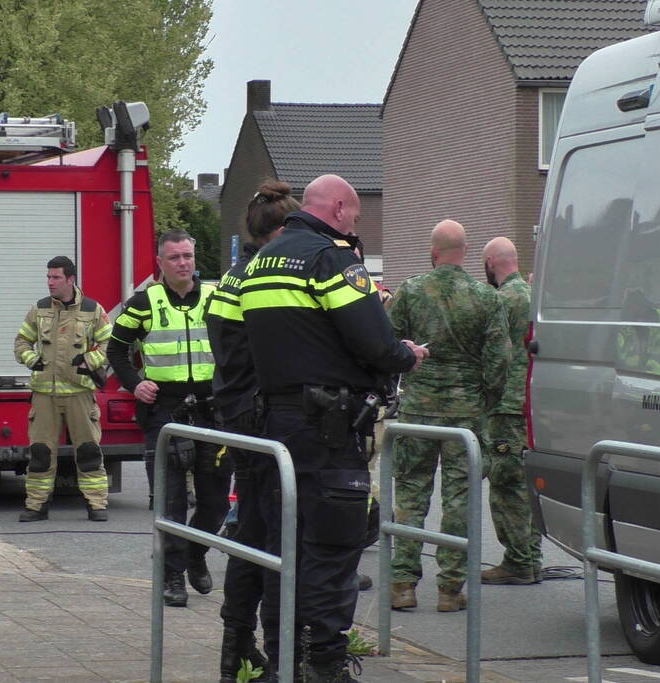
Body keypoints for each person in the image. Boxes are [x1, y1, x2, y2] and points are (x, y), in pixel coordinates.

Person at [239, 174, 426, 682]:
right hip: (328, 430)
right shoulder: (331, 259)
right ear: (340, 208)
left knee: (284, 549)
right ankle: (323, 663)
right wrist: (405, 355)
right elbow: (374, 343)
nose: (354, 225)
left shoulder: (259, 264)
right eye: (356, 216)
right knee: (331, 549)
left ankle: (283, 660)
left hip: (275, 427)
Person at [387, 220, 510, 612]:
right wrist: (483, 400)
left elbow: (388, 345)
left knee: (410, 494)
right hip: (466, 415)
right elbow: (499, 361)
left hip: (419, 411)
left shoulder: (409, 291)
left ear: (432, 251)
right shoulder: (486, 299)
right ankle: (449, 589)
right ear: (466, 252)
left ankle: (403, 585)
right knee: (459, 499)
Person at [108, 229, 232, 608]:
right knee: (171, 502)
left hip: (212, 410)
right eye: (175, 258)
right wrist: (135, 384)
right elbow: (115, 349)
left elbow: (241, 344)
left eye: (188, 256)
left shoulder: (216, 298)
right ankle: (172, 575)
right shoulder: (145, 302)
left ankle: (195, 553)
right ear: (160, 263)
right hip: (165, 411)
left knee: (215, 504)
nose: (183, 263)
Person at [207, 181, 298, 682]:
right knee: (267, 538)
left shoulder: (232, 278)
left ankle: (237, 650)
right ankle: (266, 651)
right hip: (259, 417)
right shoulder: (264, 278)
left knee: (250, 536)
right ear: (282, 231)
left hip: (235, 413)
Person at [13, 256, 112, 522]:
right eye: (48, 277)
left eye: (55, 277)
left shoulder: (93, 310)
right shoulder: (39, 309)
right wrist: (31, 359)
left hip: (79, 393)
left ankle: (96, 504)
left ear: (70, 279)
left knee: (89, 451)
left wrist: (90, 360)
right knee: (41, 454)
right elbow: (21, 341)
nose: (50, 282)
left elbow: (109, 344)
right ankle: (36, 506)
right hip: (45, 394)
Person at [480, 237, 543, 584]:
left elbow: (494, 355)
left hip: (506, 406)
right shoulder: (536, 295)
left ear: (491, 262)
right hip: (532, 403)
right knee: (527, 482)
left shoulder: (499, 300)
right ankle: (531, 556)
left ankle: (518, 560)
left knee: (507, 485)